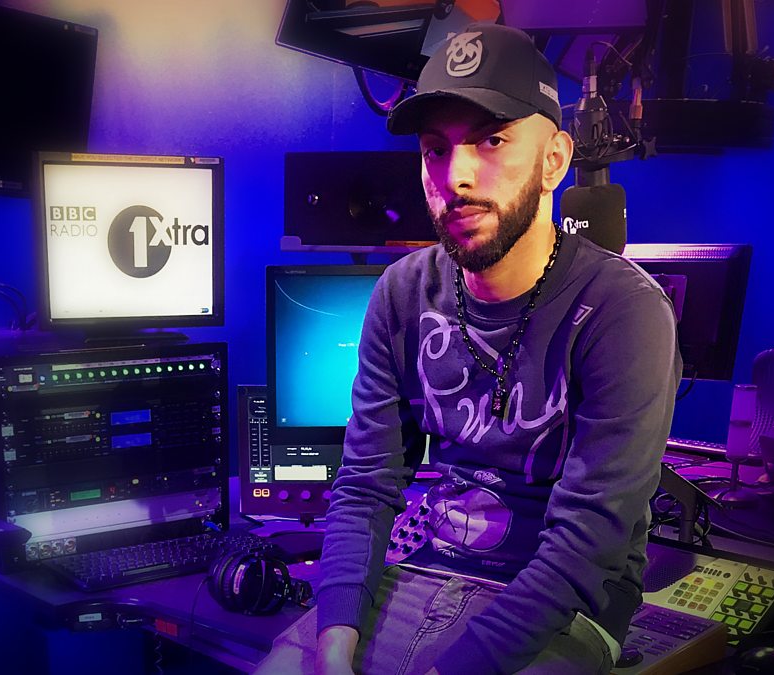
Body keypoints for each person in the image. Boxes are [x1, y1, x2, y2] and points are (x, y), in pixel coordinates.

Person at [255, 23, 681, 675]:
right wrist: (333, 641)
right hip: (423, 571)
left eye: (492, 140)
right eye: (435, 148)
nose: (456, 175)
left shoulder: (624, 310)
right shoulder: (403, 292)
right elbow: (366, 485)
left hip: (564, 611)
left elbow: (586, 540)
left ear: (554, 160)